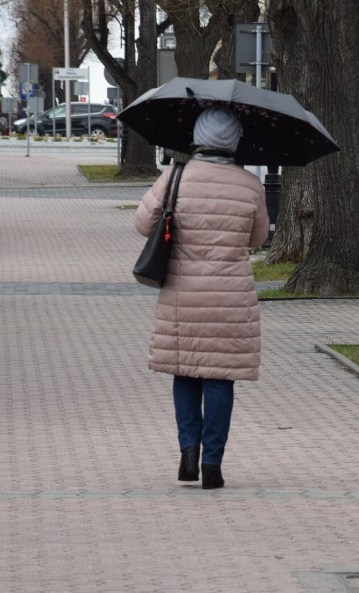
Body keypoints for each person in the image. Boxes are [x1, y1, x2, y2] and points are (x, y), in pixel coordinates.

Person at [133, 105, 269, 490]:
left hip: (182, 293)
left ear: (197, 137)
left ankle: (188, 453)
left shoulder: (175, 176)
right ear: (234, 142)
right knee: (220, 377)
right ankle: (213, 465)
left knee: (186, 370)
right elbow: (257, 239)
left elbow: (143, 224)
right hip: (231, 298)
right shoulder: (249, 185)